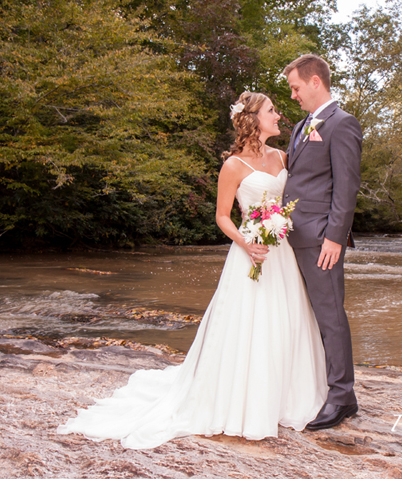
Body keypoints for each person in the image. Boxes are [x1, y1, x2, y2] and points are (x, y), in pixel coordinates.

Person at [57, 92, 327, 449]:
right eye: (272, 111)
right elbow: (221, 216)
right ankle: (241, 400)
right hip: (250, 250)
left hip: (280, 252)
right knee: (248, 324)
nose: (278, 115)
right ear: (253, 119)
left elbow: (309, 179)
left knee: (286, 320)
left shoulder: (282, 156)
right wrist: (246, 244)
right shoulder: (232, 166)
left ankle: (284, 397)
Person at [282, 54, 363, 430]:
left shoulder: (342, 124)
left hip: (319, 239)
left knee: (330, 317)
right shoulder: (301, 126)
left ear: (316, 82)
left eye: (296, 88)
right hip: (292, 238)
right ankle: (318, 388)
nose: (294, 96)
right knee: (306, 317)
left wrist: (335, 237)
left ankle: (342, 396)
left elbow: (346, 187)